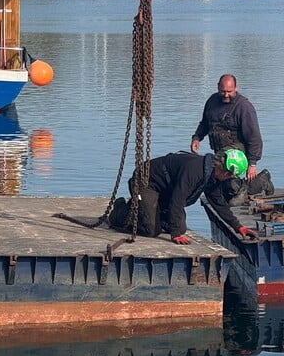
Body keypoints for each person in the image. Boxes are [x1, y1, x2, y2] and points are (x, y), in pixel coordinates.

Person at [108, 148, 259, 244]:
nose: (229, 180)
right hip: (146, 182)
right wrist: (174, 235)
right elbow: (177, 200)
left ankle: (150, 212)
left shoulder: (212, 176)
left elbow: (218, 203)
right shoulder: (194, 171)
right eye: (230, 177)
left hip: (165, 191)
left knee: (181, 227)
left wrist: (238, 227)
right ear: (226, 172)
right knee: (151, 230)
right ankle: (121, 210)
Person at [190, 74, 263, 181]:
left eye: (230, 92)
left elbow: (254, 137)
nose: (226, 95)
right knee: (221, 180)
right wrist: (197, 138)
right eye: (223, 91)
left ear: (236, 88)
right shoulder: (212, 101)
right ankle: (261, 181)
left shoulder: (244, 107)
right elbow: (205, 123)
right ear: (218, 87)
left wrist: (252, 164)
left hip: (238, 152)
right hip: (220, 150)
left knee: (213, 165)